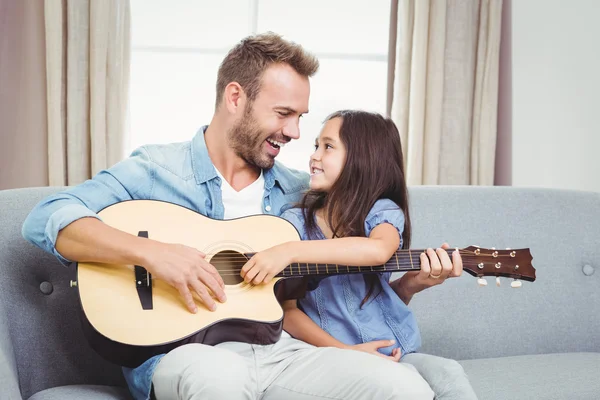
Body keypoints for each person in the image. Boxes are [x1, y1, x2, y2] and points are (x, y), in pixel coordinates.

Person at [21, 32, 456, 400]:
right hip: (180, 353)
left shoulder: (300, 193)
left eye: (301, 117)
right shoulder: (156, 170)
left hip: (283, 351)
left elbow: (356, 269)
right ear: (235, 97)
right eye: (283, 114)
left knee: (404, 388)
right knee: (219, 378)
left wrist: (411, 282)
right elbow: (48, 217)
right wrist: (154, 254)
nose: (295, 133)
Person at [241, 110, 478, 400]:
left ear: (362, 159)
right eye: (317, 145)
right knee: (401, 385)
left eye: (328, 147)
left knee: (448, 372)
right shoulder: (294, 223)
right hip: (333, 358)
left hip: (393, 350)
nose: (314, 156)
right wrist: (348, 352)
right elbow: (288, 312)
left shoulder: (381, 211)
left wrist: (290, 251)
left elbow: (379, 250)